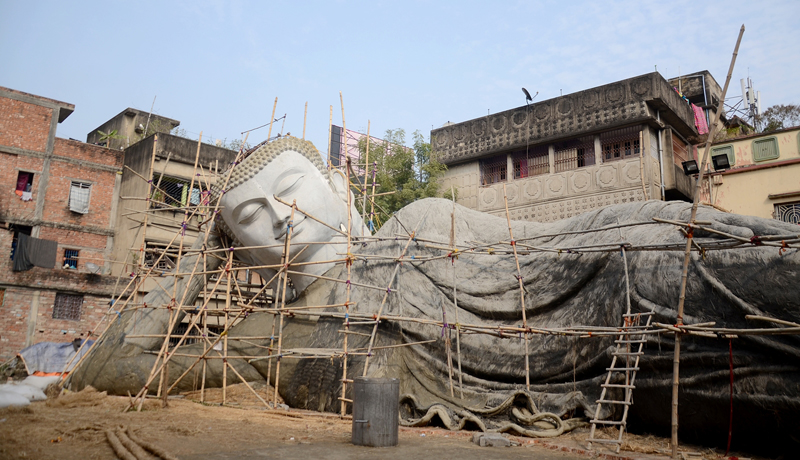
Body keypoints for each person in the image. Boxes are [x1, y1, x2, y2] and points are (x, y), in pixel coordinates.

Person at [70, 137, 800, 448]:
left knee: (654, 250)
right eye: (251, 222)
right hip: (580, 364)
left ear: (335, 186)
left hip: (594, 275)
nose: (280, 222)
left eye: (288, 193)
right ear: (241, 253)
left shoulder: (416, 223)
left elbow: (553, 251)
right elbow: (106, 369)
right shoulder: (270, 336)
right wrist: (200, 254)